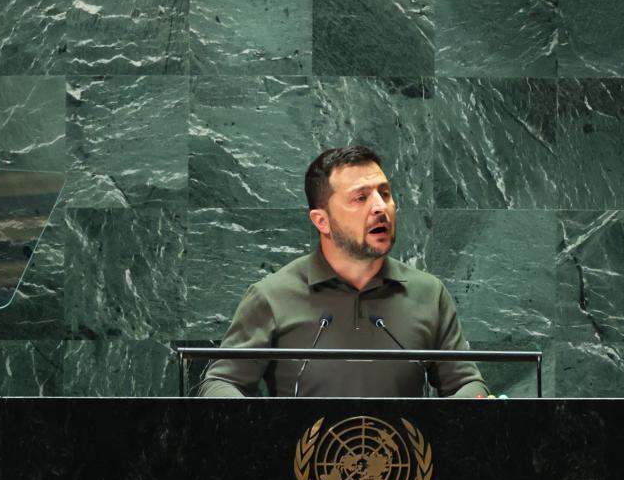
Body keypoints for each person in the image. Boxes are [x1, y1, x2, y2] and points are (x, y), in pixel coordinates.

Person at [198, 145, 488, 398]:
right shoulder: (272, 296)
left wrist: (471, 401)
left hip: (403, 459)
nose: (380, 207)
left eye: (384, 194)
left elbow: (466, 382)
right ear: (322, 221)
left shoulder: (428, 293)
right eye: (360, 198)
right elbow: (222, 382)